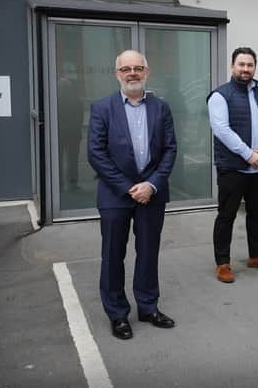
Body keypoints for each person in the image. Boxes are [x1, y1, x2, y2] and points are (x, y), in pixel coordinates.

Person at [88, 50, 177, 340]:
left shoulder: (161, 108)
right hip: (116, 195)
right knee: (113, 254)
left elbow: (169, 150)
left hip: (152, 194)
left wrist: (151, 184)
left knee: (148, 252)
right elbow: (96, 153)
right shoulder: (102, 108)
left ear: (147, 72)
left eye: (138, 68)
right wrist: (128, 187)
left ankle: (148, 307)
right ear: (117, 74)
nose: (132, 73)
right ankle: (117, 313)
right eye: (126, 69)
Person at [207, 47, 258, 283]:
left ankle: (257, 254)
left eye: (250, 65)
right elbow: (221, 130)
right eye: (241, 64)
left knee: (257, 212)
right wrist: (249, 154)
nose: (245, 69)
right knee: (227, 215)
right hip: (233, 167)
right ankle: (222, 263)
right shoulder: (220, 95)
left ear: (254, 67)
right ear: (232, 66)